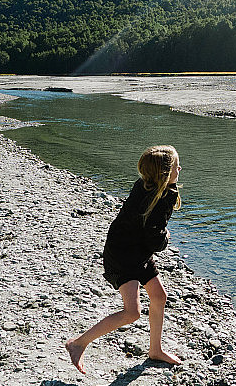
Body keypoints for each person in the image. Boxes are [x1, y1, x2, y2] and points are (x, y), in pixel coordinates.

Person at [66, 145, 183, 373]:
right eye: (175, 166)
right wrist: (165, 238)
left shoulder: (147, 185)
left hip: (133, 249)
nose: (180, 168)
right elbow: (154, 238)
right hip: (123, 255)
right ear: (163, 174)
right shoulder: (162, 197)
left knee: (159, 296)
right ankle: (78, 343)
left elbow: (144, 231)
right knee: (132, 312)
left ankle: (155, 350)